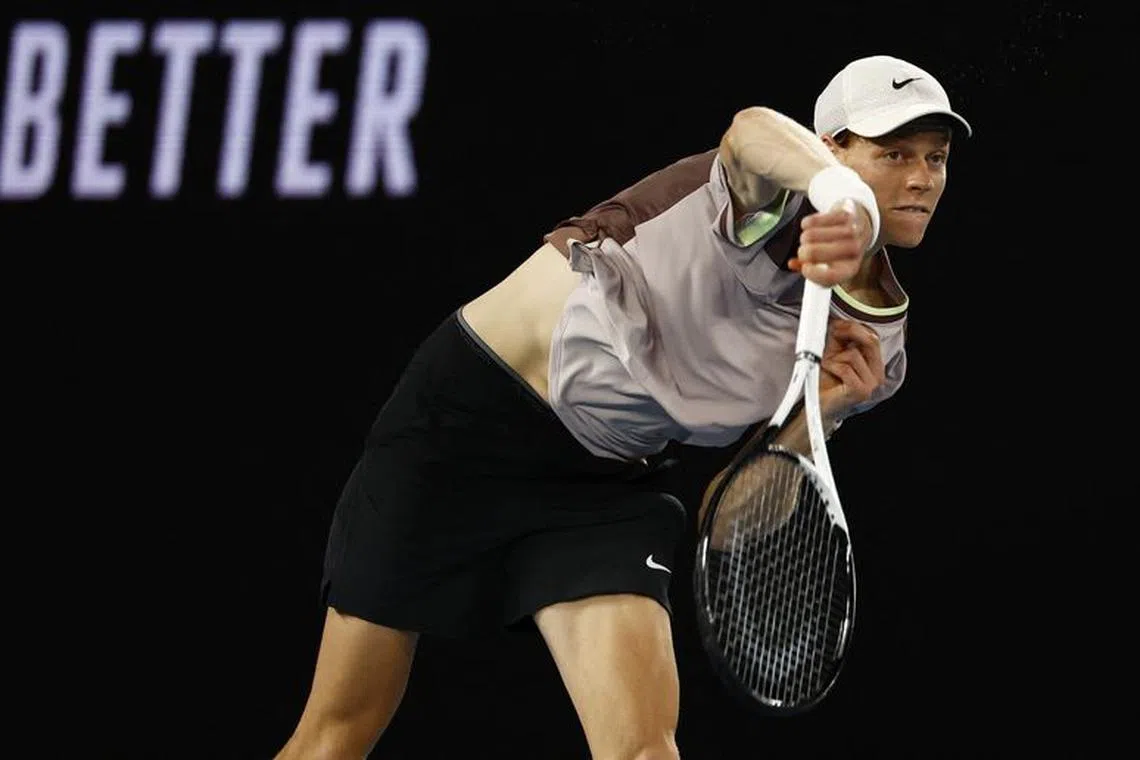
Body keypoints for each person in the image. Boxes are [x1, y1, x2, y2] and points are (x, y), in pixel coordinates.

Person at [274, 54, 970, 760]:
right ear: (830, 148)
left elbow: (724, 531)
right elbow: (751, 130)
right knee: (334, 739)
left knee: (643, 751)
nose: (921, 178)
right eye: (893, 153)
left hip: (599, 484)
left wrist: (817, 414)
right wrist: (841, 197)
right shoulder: (764, 201)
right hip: (463, 426)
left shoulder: (871, 349)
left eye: (936, 159)